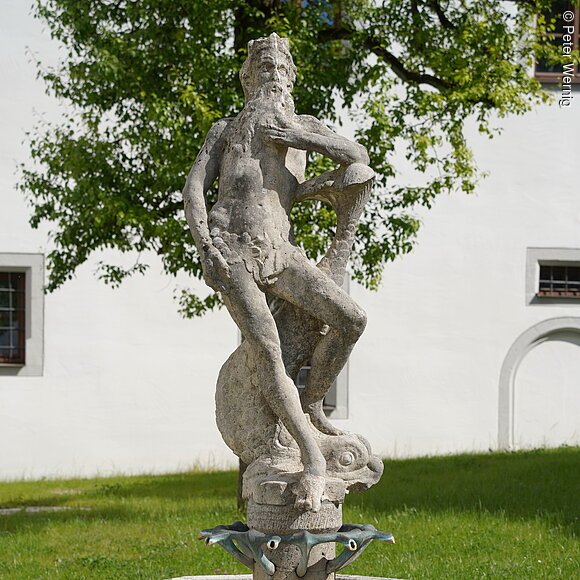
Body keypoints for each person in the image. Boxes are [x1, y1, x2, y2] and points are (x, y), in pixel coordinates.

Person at [183, 33, 372, 512]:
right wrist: (205, 246)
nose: (273, 74)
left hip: (279, 250)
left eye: (280, 68)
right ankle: (312, 459)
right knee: (267, 351)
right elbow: (194, 189)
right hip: (231, 250)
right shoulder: (226, 129)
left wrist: (300, 139)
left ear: (290, 78)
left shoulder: (304, 126)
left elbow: (358, 158)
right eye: (263, 67)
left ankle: (311, 406)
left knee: (350, 319)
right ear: (248, 79)